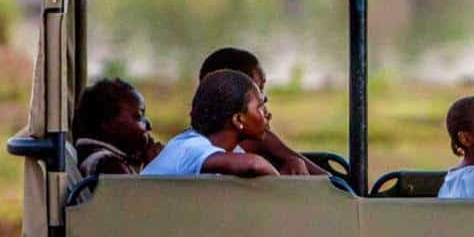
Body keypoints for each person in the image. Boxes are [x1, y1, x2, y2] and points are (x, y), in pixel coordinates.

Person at [197, 47, 326, 176]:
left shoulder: (256, 140)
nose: (264, 100)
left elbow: (328, 181)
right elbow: (253, 164)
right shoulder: (191, 150)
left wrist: (294, 163)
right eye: (258, 91)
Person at [143, 70, 279, 177]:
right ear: (238, 119)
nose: (267, 114)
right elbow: (254, 164)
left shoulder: (228, 151)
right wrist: (282, 187)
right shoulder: (190, 146)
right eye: (260, 107)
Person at [73, 78, 163, 176]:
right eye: (139, 116)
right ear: (107, 122)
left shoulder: (89, 154)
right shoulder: (110, 165)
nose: (149, 125)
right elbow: (134, 192)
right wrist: (154, 168)